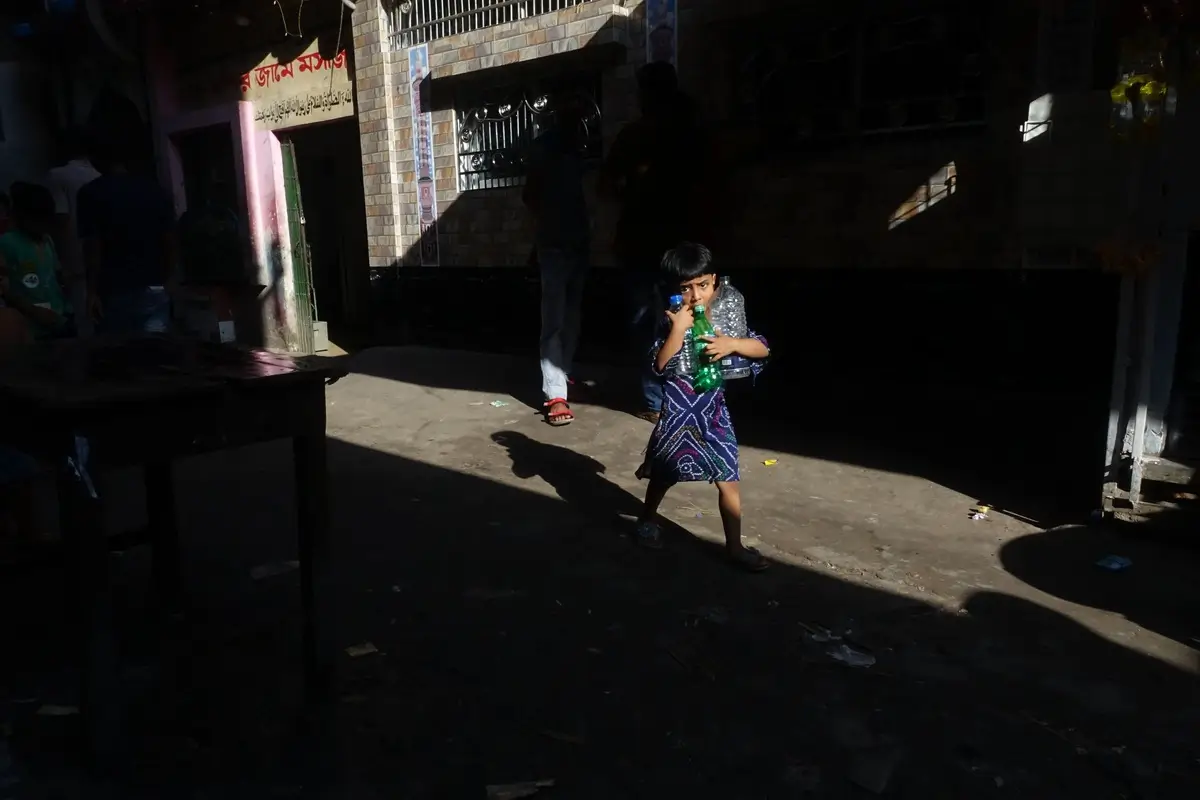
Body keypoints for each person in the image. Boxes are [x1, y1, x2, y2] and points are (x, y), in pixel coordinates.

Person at [633, 242, 771, 571]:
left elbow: (762, 349)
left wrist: (732, 345)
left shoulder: (727, 315)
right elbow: (659, 365)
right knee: (664, 475)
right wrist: (678, 331)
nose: (696, 296)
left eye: (703, 286)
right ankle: (647, 519)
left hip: (714, 413)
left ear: (716, 283)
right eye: (686, 288)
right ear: (674, 291)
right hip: (679, 412)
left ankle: (734, 547)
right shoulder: (670, 320)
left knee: (729, 478)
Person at [600, 62, 714, 423]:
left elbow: (607, 186)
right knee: (687, 317)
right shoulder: (689, 133)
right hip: (674, 246)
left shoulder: (639, 135)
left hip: (648, 244)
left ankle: (656, 399)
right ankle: (685, 394)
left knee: (650, 322)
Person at [523, 102, 591, 425]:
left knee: (572, 315)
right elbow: (530, 197)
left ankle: (563, 374)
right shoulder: (545, 150)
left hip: (576, 243)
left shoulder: (577, 149)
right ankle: (555, 394)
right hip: (553, 245)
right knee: (554, 319)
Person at [77, 135, 178, 335]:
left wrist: (91, 291)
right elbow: (170, 240)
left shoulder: (91, 193)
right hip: (154, 285)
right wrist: (168, 280)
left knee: (119, 357)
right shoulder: (156, 191)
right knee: (157, 356)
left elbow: (93, 247)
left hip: (114, 290)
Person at [45, 128, 102, 336]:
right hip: (101, 261)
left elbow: (61, 217)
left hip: (75, 261)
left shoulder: (58, 175)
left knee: (83, 323)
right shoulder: (99, 176)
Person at [0, 182, 70, 339]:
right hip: (30, 327)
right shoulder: (7, 243)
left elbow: (55, 275)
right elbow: (5, 290)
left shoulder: (46, 240)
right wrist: (33, 311)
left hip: (58, 318)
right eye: (39, 219)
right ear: (23, 216)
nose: (45, 224)